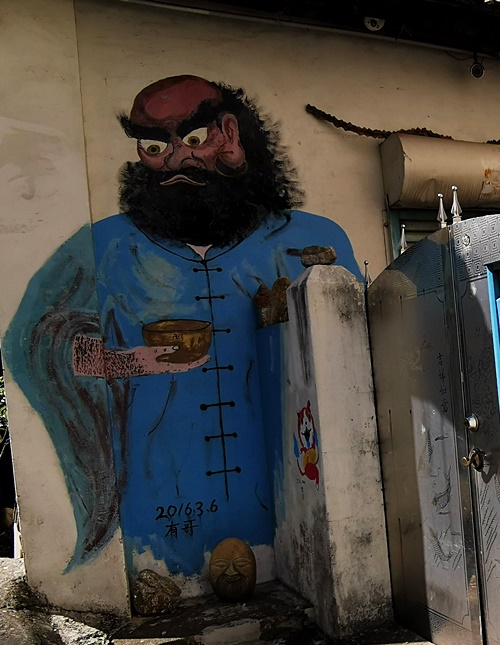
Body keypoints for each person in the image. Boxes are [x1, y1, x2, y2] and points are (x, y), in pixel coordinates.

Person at [4, 75, 360, 580]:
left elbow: (359, 354)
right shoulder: (101, 250)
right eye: (154, 146)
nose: (175, 160)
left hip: (296, 482)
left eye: (193, 139)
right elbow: (35, 347)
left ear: (232, 134)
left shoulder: (313, 239)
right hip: (157, 493)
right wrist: (133, 361)